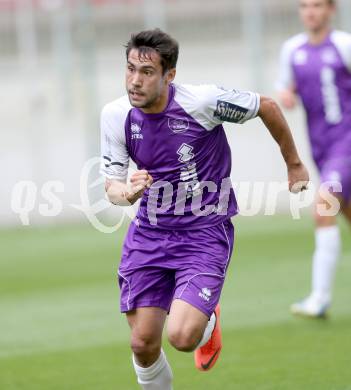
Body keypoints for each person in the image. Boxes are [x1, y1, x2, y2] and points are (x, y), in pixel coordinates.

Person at [100, 28, 308, 389]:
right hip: (148, 235)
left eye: (146, 72)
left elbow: (266, 106)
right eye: (130, 69)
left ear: (170, 76)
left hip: (204, 235)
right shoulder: (116, 115)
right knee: (142, 343)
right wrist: (128, 194)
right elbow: (112, 188)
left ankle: (207, 318)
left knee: (182, 338)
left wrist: (293, 164)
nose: (134, 81)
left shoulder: (202, 102)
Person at [276, 0, 351, 318]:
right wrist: (286, 95)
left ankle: (319, 298)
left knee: (323, 207)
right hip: (320, 148)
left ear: (331, 10)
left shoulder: (344, 45)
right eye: (305, 5)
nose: (310, 11)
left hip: (346, 144)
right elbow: (283, 85)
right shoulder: (292, 49)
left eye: (317, 5)